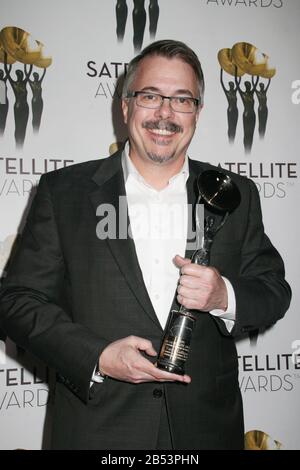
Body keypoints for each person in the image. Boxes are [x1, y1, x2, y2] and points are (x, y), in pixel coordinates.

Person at [0, 40, 291, 450]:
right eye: (151, 96)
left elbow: (273, 291)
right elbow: (16, 301)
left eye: (182, 100)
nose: (165, 114)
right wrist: (97, 355)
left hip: (206, 431)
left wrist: (225, 295)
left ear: (198, 112)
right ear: (125, 106)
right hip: (98, 430)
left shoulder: (235, 193)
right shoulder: (64, 193)